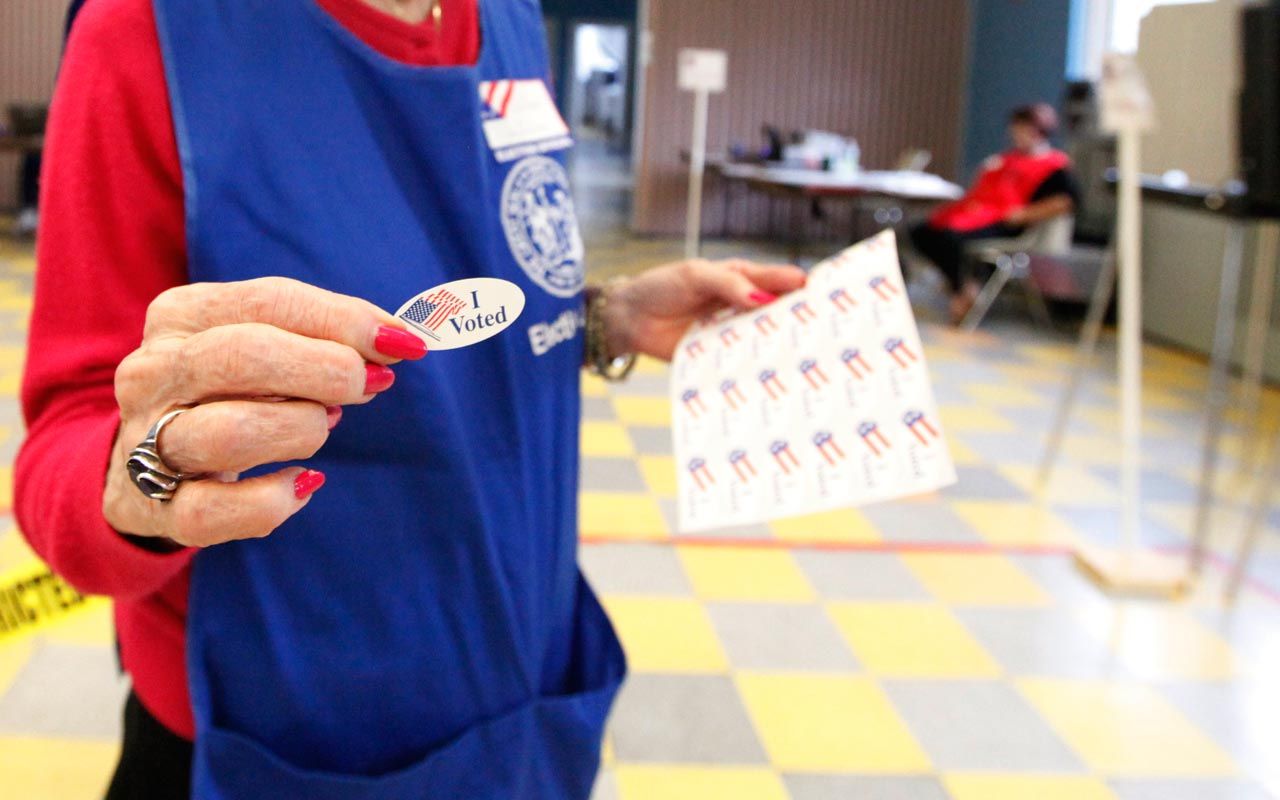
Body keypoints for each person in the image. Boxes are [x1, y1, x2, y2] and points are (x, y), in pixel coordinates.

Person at [14, 0, 805, 798]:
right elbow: (62, 451)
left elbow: (463, 288)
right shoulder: (153, 35)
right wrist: (145, 469)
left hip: (522, 694)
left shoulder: (510, 20)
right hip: (273, 738)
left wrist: (597, 315)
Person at [909, 103, 1078, 323]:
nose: (1015, 134)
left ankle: (965, 291)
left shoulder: (1054, 165)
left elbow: (1065, 202)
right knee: (922, 231)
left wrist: (1025, 214)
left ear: (1037, 131)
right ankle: (963, 286)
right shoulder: (1005, 159)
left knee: (950, 239)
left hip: (1009, 224)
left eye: (1021, 129)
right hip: (979, 216)